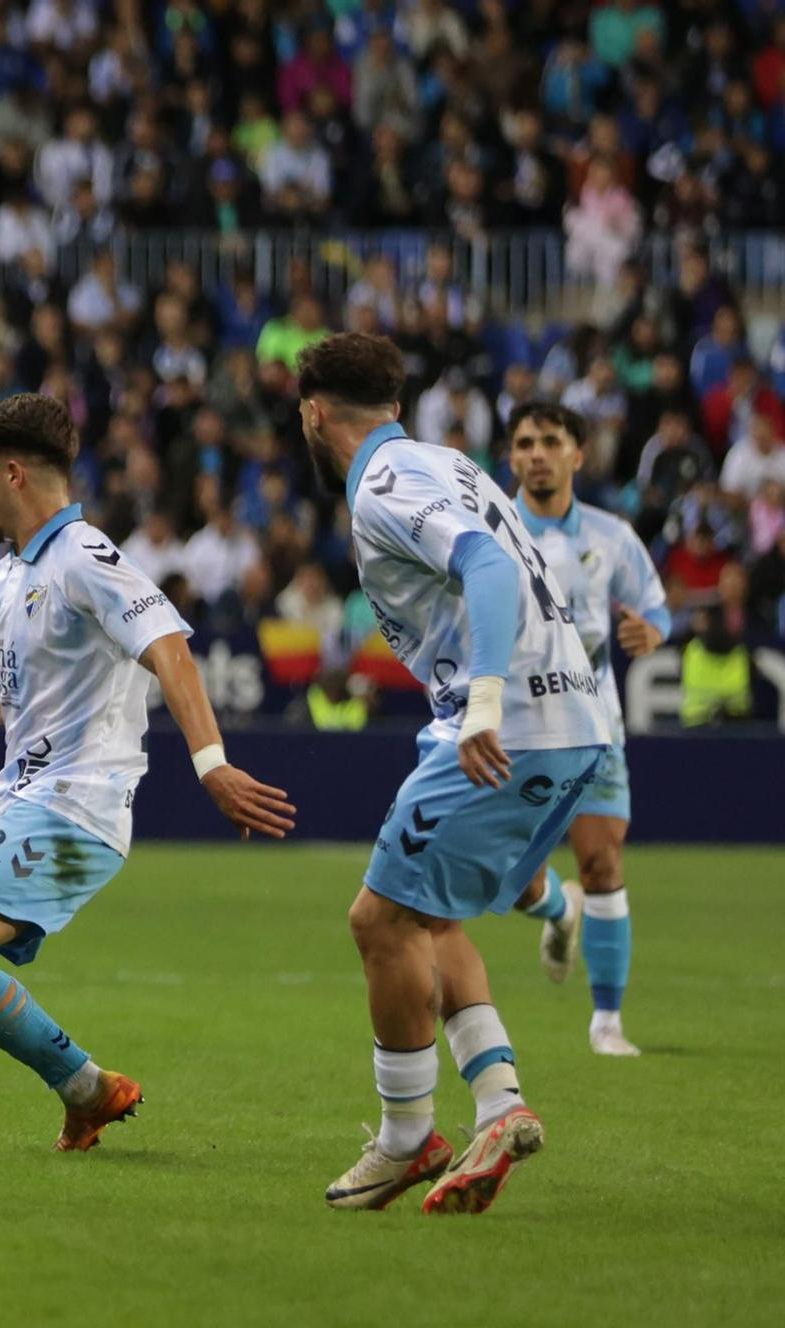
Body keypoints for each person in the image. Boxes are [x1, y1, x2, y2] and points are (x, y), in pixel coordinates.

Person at [0, 394, 296, 1166]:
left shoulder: (84, 558)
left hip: (80, 809)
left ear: (14, 474)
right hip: (30, 804)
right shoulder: (4, 580)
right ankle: (85, 1087)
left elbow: (169, 647)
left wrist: (212, 765)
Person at [296, 334, 609, 1215]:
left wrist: (484, 702)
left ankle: (407, 1138)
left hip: (509, 724)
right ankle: (501, 1106)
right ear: (393, 407)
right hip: (572, 722)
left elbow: (489, 564)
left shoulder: (386, 484)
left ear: (314, 414)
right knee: (428, 917)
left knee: (378, 919)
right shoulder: (447, 462)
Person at [501, 404, 671, 1057]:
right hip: (514, 728)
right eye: (525, 443)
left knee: (601, 862)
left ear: (577, 454)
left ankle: (607, 1022)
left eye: (551, 441)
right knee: (509, 874)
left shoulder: (611, 536)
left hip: (595, 724)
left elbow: (654, 607)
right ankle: (556, 908)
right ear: (511, 457)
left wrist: (652, 632)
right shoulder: (488, 528)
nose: (537, 454)